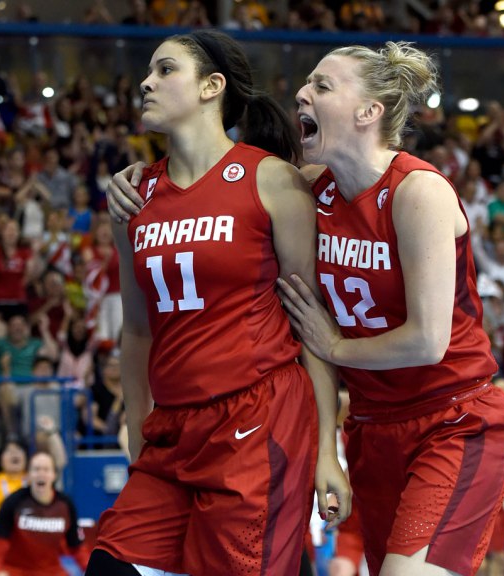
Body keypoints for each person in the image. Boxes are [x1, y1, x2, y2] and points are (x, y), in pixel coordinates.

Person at [107, 40, 504, 576]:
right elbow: (221, 184)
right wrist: (134, 181)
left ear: (368, 112)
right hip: (370, 426)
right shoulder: (310, 188)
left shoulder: (418, 192)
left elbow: (427, 340)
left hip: (453, 417)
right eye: (307, 83)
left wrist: (335, 346)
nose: (301, 93)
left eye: (322, 86)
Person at [85, 29, 348, 576]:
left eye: (165, 70)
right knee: (111, 565)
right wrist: (137, 432)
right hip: (172, 429)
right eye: (149, 72)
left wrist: (327, 448)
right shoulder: (134, 197)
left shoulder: (272, 180)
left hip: (257, 417)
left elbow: (311, 324)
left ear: (212, 86)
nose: (146, 82)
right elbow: (136, 331)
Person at [0, 452, 88, 576]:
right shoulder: (13, 502)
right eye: (36, 469)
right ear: (28, 475)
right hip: (16, 570)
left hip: (52, 571)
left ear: (54, 475)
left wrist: (90, 569)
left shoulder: (65, 504)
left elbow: (76, 546)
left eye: (46, 469)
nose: (41, 473)